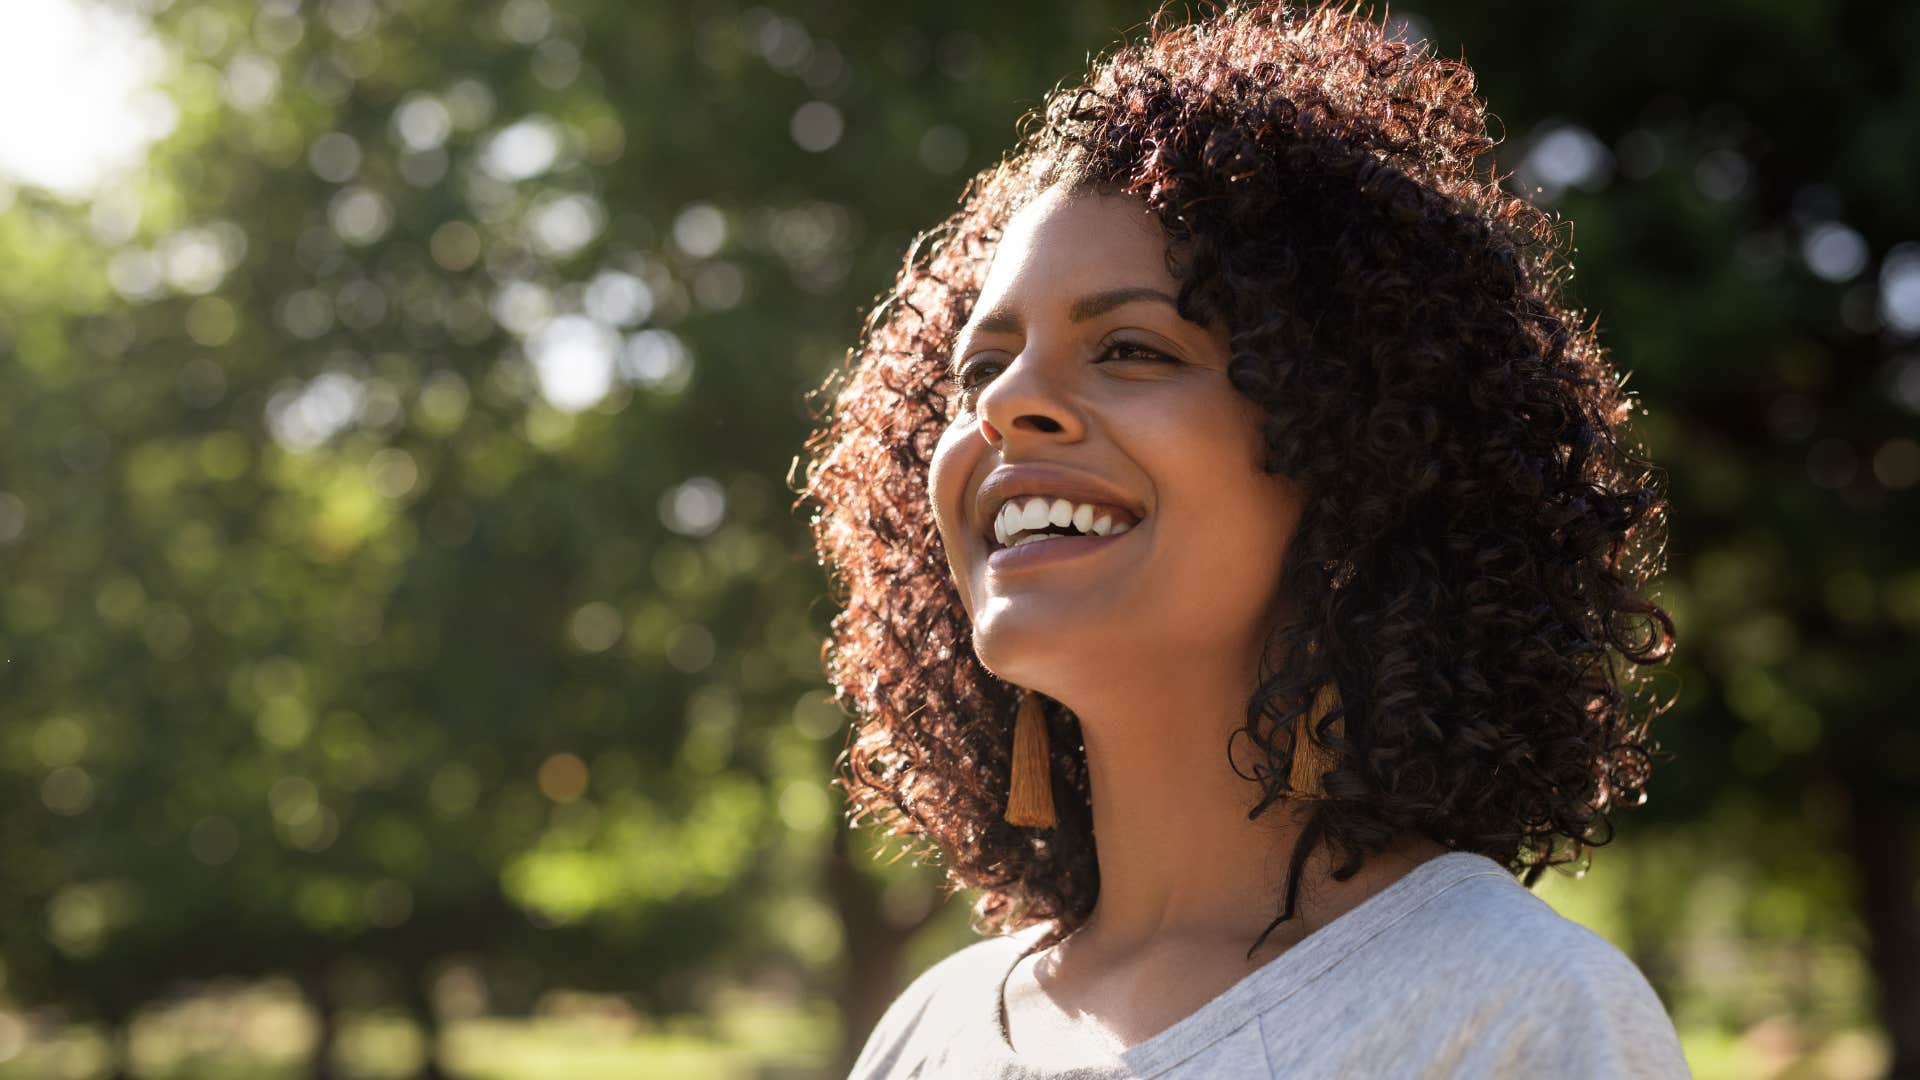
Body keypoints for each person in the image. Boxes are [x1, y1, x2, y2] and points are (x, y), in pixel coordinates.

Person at [800, 1, 1688, 1076]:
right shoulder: (927, 1032)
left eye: (1130, 349)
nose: (1006, 405)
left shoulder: (1509, 1009)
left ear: (1356, 462)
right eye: (979, 368)